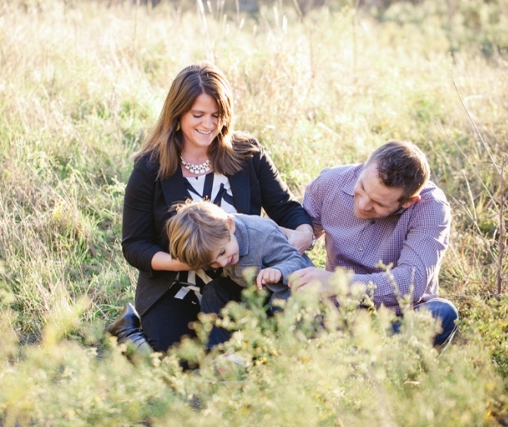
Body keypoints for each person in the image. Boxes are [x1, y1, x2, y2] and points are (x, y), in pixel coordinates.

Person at [109, 62, 314, 353]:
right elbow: (134, 246)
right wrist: (193, 260)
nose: (208, 124)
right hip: (177, 284)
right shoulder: (150, 168)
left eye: (216, 115)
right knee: (179, 362)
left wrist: (304, 232)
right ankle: (129, 332)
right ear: (177, 112)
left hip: (240, 282)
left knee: (252, 354)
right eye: (198, 115)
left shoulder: (247, 154)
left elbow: (285, 207)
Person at [289, 140, 458, 347]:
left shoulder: (430, 208)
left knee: (443, 313)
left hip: (396, 319)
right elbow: (297, 236)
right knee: (278, 301)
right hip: (335, 313)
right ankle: (354, 352)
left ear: (408, 202)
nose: (362, 205)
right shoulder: (329, 183)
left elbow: (410, 283)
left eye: (379, 204)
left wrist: (337, 283)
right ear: (365, 165)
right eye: (361, 188)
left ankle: (350, 352)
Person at [165, 200, 314, 348]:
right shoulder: (218, 236)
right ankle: (219, 352)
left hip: (287, 296)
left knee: (289, 311)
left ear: (230, 225)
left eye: (223, 252)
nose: (222, 264)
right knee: (214, 290)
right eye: (213, 263)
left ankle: (289, 344)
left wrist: (279, 270)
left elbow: (296, 260)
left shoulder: (262, 235)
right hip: (254, 294)